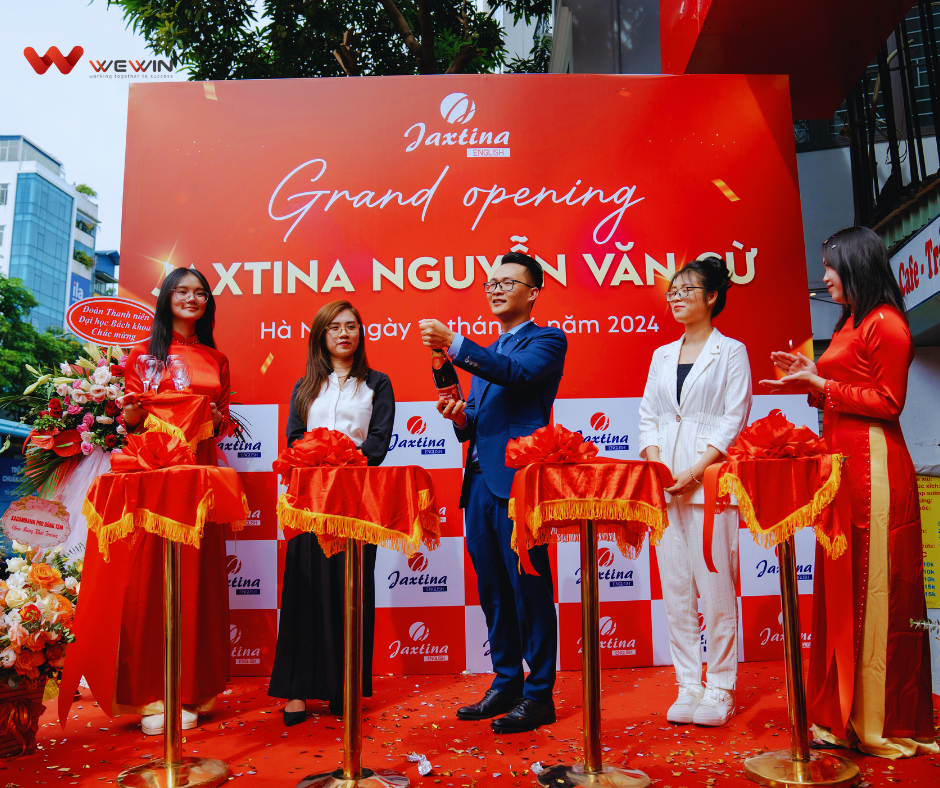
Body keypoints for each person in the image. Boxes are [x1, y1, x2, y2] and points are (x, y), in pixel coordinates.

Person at [761, 226, 937, 759]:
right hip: (844, 467)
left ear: (855, 263)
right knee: (844, 590)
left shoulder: (887, 323)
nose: (825, 276)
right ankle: (841, 713)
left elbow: (888, 402)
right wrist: (811, 376)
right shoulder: (852, 321)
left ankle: (877, 718)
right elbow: (846, 387)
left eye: (830, 266)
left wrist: (823, 385)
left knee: (875, 588)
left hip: (875, 471)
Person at [59, 267, 236, 736]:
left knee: (196, 580)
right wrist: (133, 415)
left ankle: (191, 691)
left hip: (197, 477)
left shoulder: (217, 359)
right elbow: (132, 420)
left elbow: (221, 424)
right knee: (148, 580)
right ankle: (151, 694)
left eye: (200, 293)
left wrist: (216, 418)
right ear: (167, 298)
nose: (192, 299)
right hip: (152, 475)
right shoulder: (142, 355)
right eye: (183, 291)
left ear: (208, 303)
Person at [420, 251, 565, 734]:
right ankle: (506, 682)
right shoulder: (490, 353)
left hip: (520, 483)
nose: (496, 289)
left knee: (529, 589)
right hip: (480, 483)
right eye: (491, 283)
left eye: (507, 282)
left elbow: (515, 373)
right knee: (494, 592)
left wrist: (456, 343)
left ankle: (538, 694)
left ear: (533, 292)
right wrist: (461, 416)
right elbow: (478, 423)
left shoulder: (546, 341)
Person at [269, 300, 394, 726]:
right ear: (321, 336)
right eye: (335, 327)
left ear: (361, 333)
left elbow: (378, 443)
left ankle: (345, 687)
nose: (344, 333)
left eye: (352, 326)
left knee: (352, 592)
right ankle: (296, 691)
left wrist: (341, 458)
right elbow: (294, 438)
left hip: (358, 500)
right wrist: (316, 459)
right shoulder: (305, 385)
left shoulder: (378, 383)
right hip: (309, 501)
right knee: (302, 591)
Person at [638, 256, 751, 727]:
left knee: (717, 590)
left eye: (687, 289)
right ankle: (688, 684)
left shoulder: (732, 351)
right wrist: (657, 464)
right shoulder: (661, 355)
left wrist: (696, 469)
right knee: (677, 590)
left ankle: (720, 686)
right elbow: (648, 415)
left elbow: (733, 417)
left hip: (710, 485)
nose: (677, 297)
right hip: (665, 487)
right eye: (673, 290)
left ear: (712, 297)